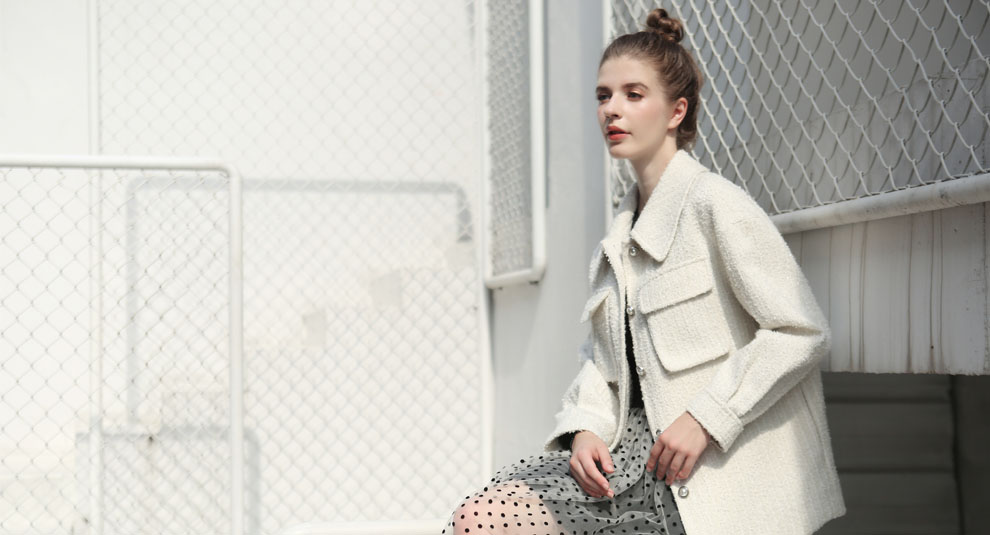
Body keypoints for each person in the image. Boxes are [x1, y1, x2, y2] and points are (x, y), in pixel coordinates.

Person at [441, 7, 845, 534]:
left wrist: (707, 418)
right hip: (622, 466)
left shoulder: (716, 206)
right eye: (603, 96)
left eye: (633, 95)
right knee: (481, 518)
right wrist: (585, 428)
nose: (612, 109)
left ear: (676, 111)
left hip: (701, 480)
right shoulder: (618, 237)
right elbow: (602, 364)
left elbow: (800, 331)